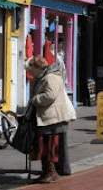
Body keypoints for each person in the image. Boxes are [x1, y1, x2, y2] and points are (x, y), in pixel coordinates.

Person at [25, 55, 75, 183]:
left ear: (37, 68)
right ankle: (49, 171)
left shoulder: (50, 77)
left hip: (52, 118)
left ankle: (51, 172)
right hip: (48, 117)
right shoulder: (43, 77)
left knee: (48, 146)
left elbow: (50, 95)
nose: (29, 73)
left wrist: (35, 100)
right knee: (46, 145)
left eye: (30, 70)